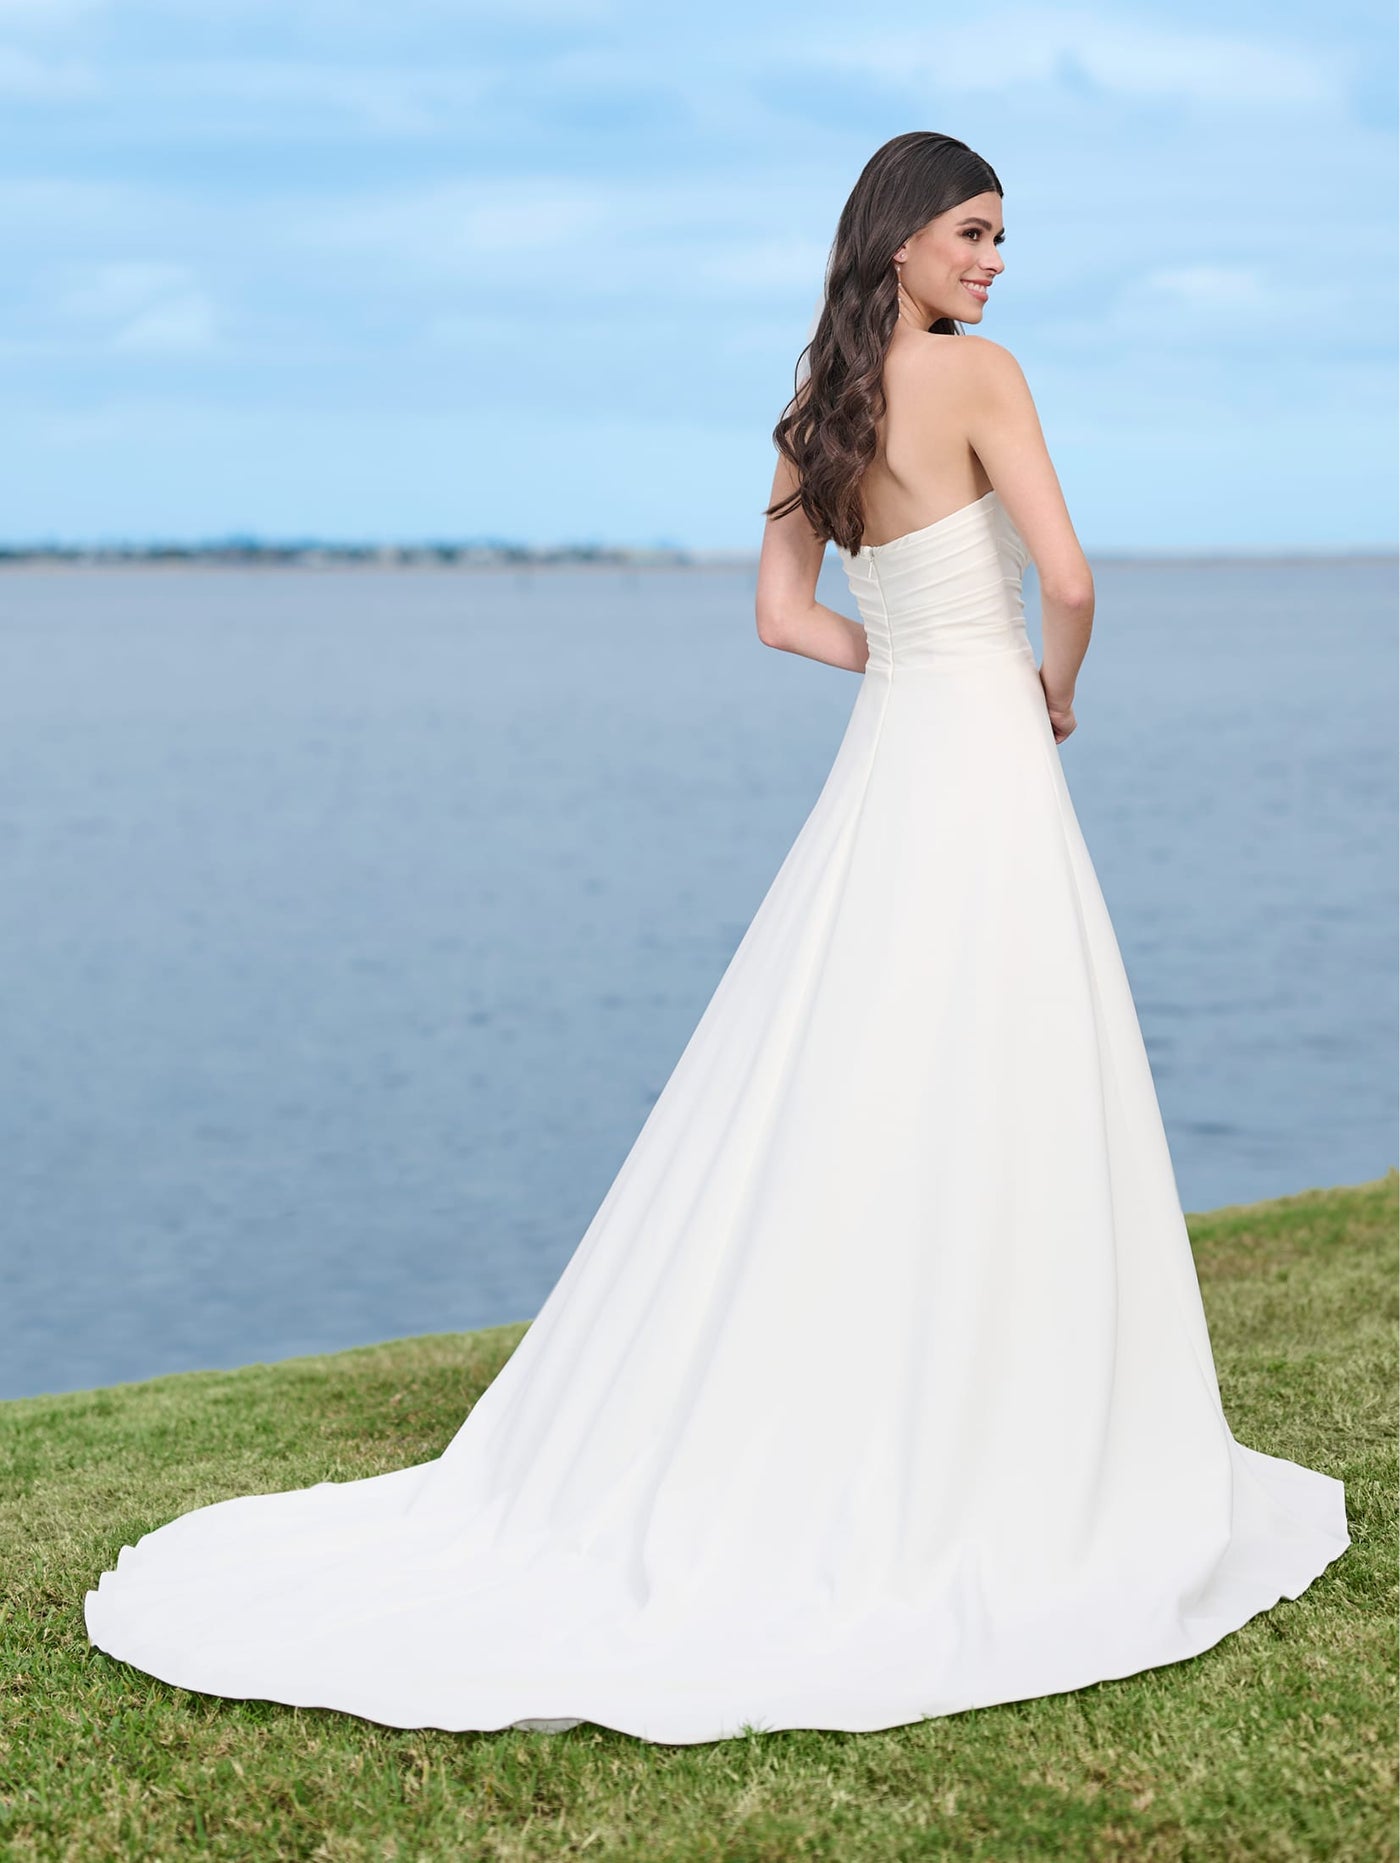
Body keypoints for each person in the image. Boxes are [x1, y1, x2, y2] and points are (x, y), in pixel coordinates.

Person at [84, 131, 1350, 1747]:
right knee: (1007, 1062)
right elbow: (1074, 576)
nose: (994, 262)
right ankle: (1013, 1426)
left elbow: (777, 614)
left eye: (1000, 241)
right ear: (902, 238)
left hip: (897, 750)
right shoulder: (981, 379)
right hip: (986, 754)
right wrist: (1049, 686)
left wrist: (905, 661)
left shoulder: (817, 411)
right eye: (974, 232)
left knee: (851, 1064)